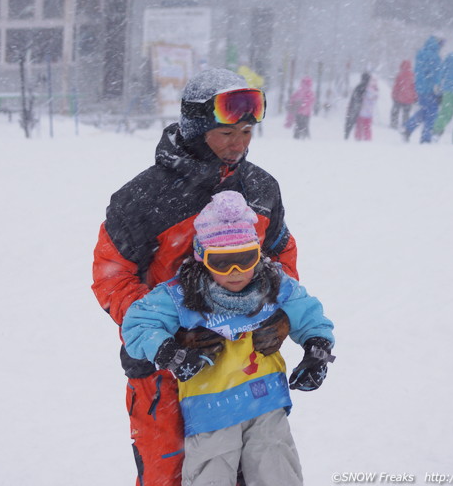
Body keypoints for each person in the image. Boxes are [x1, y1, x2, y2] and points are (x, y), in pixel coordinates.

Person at [91, 68, 298, 486]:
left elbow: (281, 258)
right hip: (165, 375)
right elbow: (110, 275)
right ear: (197, 128)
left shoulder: (260, 188)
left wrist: (279, 317)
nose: (238, 144)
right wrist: (167, 336)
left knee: (261, 473)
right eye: (226, 133)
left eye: (246, 131)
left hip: (245, 368)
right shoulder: (143, 198)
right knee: (168, 475)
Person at [121, 191, 335, 486]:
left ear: (258, 254)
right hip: (211, 408)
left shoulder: (273, 283)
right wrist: (170, 352)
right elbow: (138, 323)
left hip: (266, 402)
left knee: (277, 469)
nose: (236, 273)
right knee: (210, 474)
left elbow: (309, 314)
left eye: (245, 260)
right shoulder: (182, 294)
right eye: (222, 262)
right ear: (202, 257)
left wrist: (317, 350)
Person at [402, 36, 444, 143]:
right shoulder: (435, 57)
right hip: (430, 89)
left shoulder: (420, 54)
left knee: (425, 111)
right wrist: (439, 91)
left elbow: (418, 71)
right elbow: (437, 76)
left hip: (420, 89)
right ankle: (425, 138)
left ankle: (408, 128)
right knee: (431, 113)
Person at [390, 60, 417, 130]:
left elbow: (396, 86)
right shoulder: (412, 75)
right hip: (408, 98)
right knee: (406, 113)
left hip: (399, 97)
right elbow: (414, 88)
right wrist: (415, 97)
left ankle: (394, 123)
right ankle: (405, 125)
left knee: (395, 111)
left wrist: (394, 95)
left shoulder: (400, 75)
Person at [344, 72, 371, 139]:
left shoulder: (359, 86)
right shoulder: (363, 86)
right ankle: (351, 137)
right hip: (356, 106)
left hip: (353, 106)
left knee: (350, 122)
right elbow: (359, 97)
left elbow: (355, 97)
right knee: (353, 122)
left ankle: (347, 136)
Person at [355, 75, 378, 141]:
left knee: (360, 126)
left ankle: (359, 138)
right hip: (368, 112)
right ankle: (366, 138)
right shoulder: (373, 91)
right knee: (367, 127)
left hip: (363, 111)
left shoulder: (365, 89)